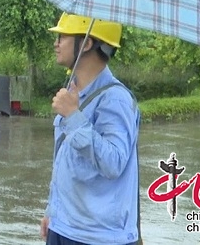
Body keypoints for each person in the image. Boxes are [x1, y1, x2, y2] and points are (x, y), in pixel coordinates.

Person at [40, 13, 140, 245]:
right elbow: (64, 162)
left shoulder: (115, 99)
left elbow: (114, 162)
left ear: (86, 43)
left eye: (62, 36)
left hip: (97, 237)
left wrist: (74, 117)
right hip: (63, 227)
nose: (56, 43)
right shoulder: (73, 91)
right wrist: (52, 210)